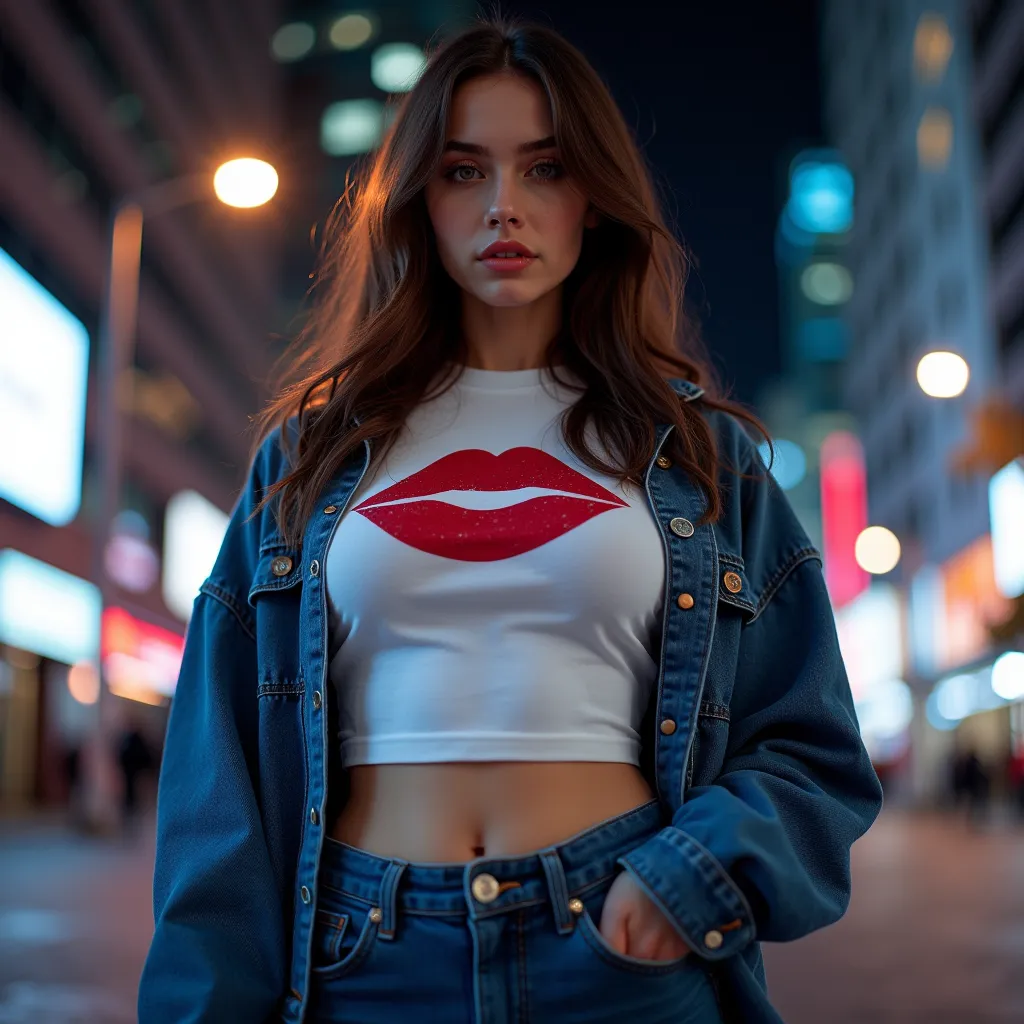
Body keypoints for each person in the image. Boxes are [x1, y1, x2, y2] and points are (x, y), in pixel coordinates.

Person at [138, 15, 883, 1024]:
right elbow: (216, 790)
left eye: (543, 169)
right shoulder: (312, 454)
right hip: (363, 958)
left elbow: (811, 748)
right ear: (416, 201)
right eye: (460, 172)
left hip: (621, 951)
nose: (502, 207)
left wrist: (685, 882)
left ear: (594, 200)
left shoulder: (701, 455)